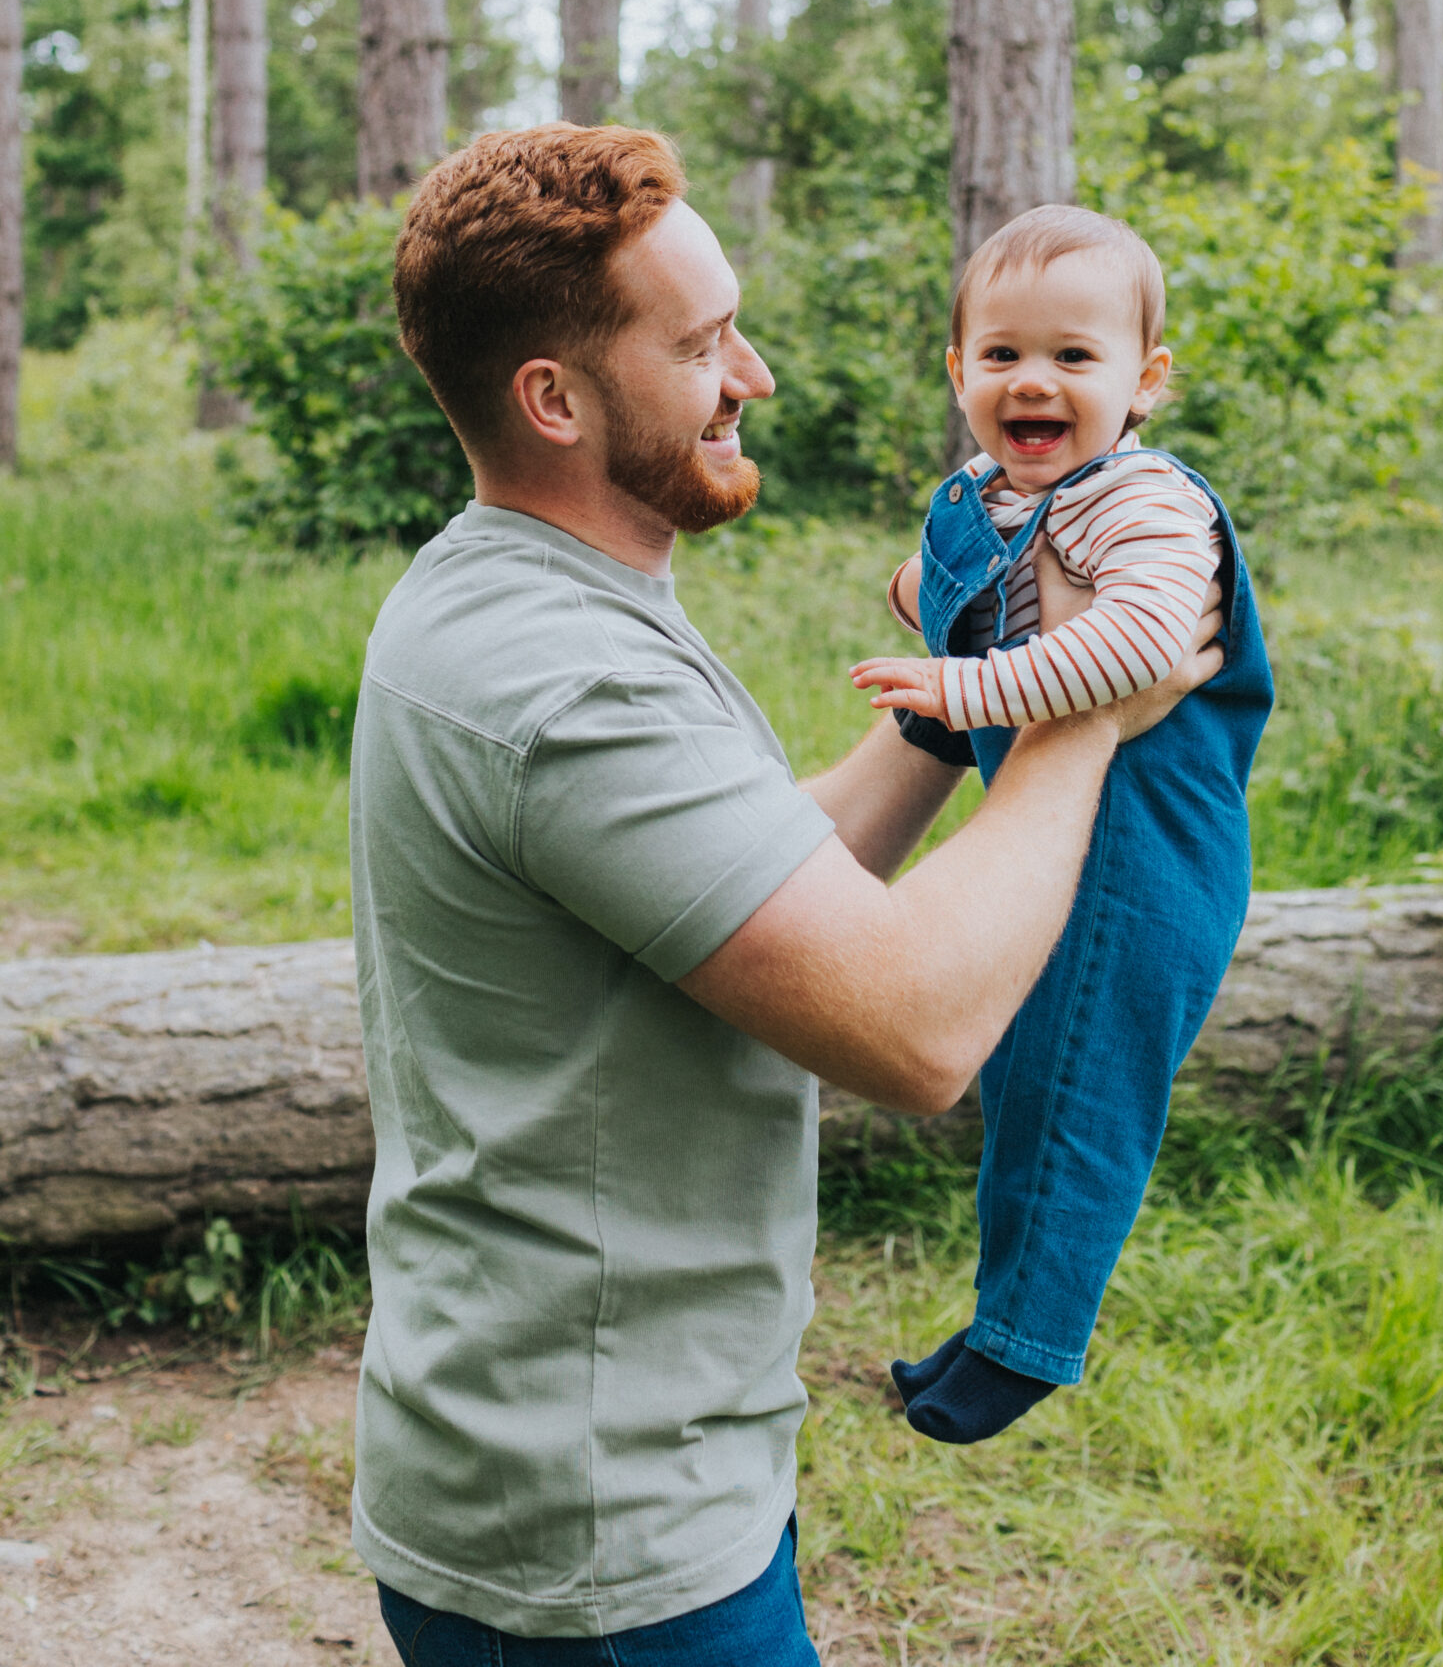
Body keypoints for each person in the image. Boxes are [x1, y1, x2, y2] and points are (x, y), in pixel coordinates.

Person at [351, 123, 1224, 1664]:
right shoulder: (564, 681)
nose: (749, 373)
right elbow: (915, 1028)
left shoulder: (526, 593)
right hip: (599, 1522)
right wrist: (1086, 712)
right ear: (553, 398)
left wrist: (956, 709)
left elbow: (757, 875)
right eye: (698, 345)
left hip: (584, 1448)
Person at [851, 205, 1273, 1445]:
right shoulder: (997, 487)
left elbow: (1146, 643)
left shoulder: (1139, 500)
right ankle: (997, 1317)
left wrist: (965, 684)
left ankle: (1033, 1341)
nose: (1034, 380)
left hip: (1147, 844)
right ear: (960, 372)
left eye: (1075, 358)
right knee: (1024, 1077)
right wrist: (932, 596)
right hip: (1067, 832)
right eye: (1002, 354)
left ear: (1144, 382)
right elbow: (981, 582)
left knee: (1082, 1086)